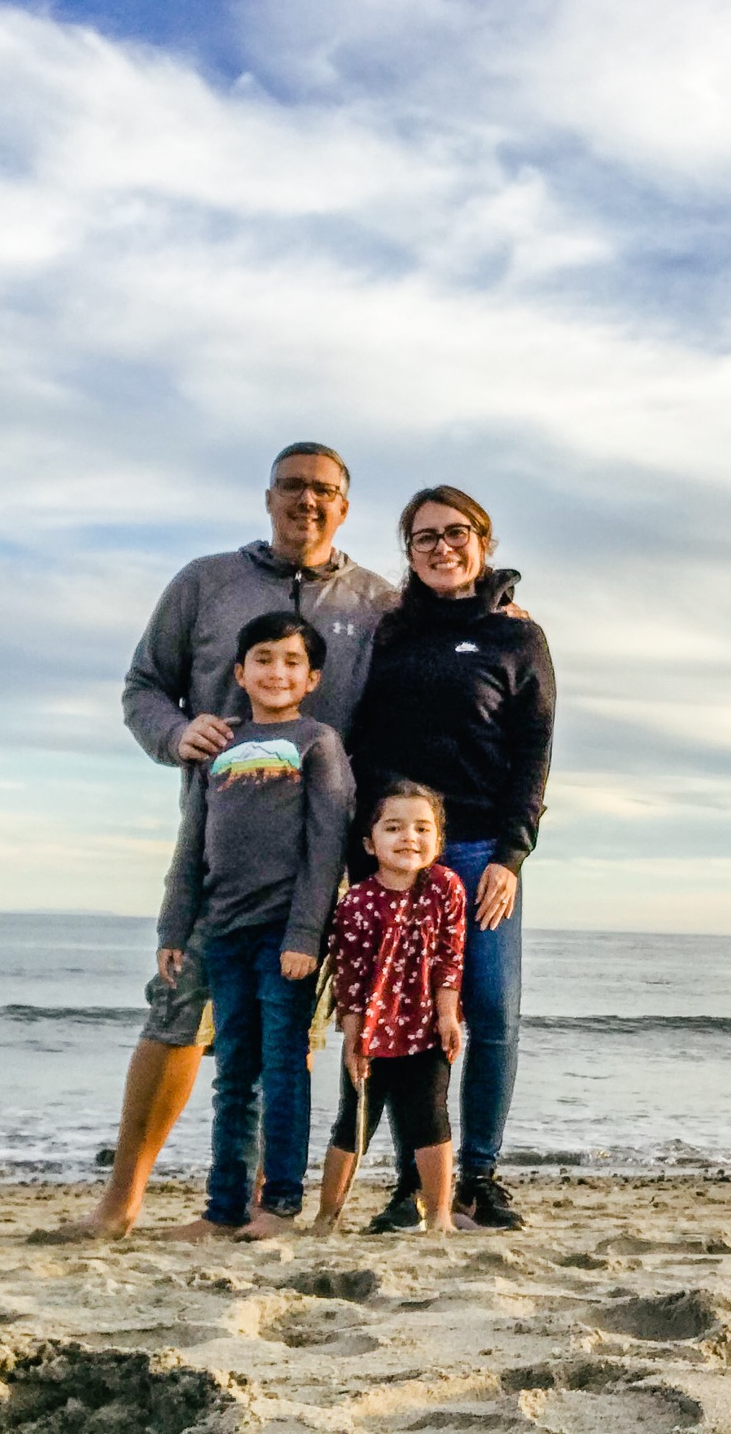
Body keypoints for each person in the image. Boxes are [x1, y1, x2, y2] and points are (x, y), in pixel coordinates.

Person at [44, 444, 396, 1243]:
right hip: (217, 855)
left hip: (318, 866)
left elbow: (433, 656)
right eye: (292, 486)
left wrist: (504, 608)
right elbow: (142, 687)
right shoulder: (205, 583)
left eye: (325, 490)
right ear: (268, 496)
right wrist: (177, 734)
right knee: (176, 1016)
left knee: (285, 1042)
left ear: (345, 507)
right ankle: (121, 1202)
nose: (307, 500)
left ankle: (265, 1207)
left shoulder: (377, 600)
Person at [347, 486, 556, 1231]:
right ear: (408, 552)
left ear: (483, 541)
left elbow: (533, 752)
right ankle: (413, 1181)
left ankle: (479, 1179)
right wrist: (366, 852)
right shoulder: (388, 632)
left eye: (456, 532)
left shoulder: (517, 638)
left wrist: (511, 854)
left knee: (492, 1011)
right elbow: (360, 737)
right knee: (405, 1020)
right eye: (424, 537)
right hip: (399, 853)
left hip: (478, 852)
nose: (442, 547)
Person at [158, 612, 354, 1240]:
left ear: (312, 678)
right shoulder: (220, 745)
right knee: (233, 1073)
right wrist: (173, 928)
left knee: (283, 1067)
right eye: (263, 659)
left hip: (283, 936)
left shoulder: (316, 742)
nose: (277, 672)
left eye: (292, 662)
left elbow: (327, 847)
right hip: (224, 932)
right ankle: (224, 1209)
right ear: (240, 672)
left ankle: (281, 1206)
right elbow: (192, 843)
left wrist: (305, 935)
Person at [312, 782, 466, 1236]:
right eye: (393, 828)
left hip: (427, 1029)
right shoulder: (357, 903)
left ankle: (438, 1215)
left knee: (431, 1118)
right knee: (353, 1123)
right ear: (369, 843)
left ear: (438, 840)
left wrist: (448, 1015)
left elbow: (450, 958)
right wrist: (353, 1040)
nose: (409, 838)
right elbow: (349, 981)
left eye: (422, 828)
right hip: (372, 1035)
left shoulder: (445, 887)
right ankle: (326, 1216)